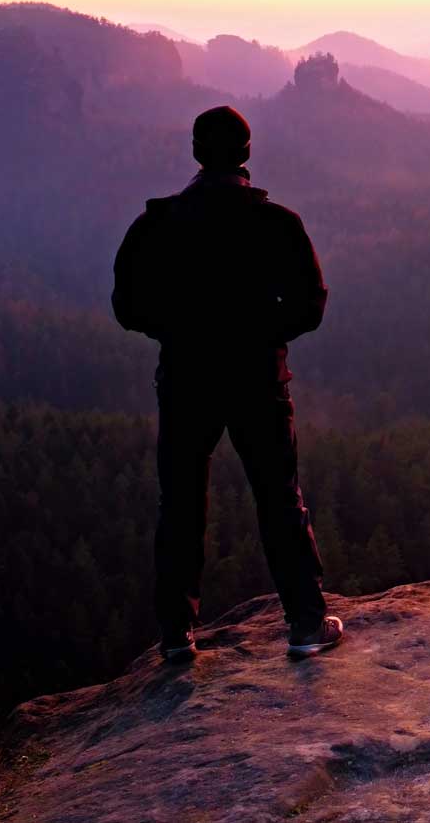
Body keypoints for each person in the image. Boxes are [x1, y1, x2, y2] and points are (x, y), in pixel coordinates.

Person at [112, 106, 344, 661]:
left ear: (196, 152)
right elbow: (311, 306)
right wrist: (261, 334)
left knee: (182, 504)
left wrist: (181, 332)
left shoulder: (157, 224)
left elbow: (128, 306)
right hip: (259, 378)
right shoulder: (278, 224)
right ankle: (307, 626)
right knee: (279, 498)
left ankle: (175, 637)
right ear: (246, 153)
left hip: (186, 379)